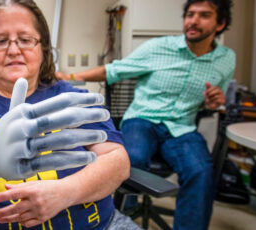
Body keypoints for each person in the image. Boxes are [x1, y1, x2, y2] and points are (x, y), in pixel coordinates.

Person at [0, 0, 141, 229]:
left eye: (25, 40)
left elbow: (117, 161)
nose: (14, 50)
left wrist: (65, 193)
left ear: (43, 48)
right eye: (1, 41)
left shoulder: (70, 98)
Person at [56, 0, 235, 229]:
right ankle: (119, 215)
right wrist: (70, 78)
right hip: (142, 120)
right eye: (190, 14)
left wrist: (214, 102)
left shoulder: (226, 59)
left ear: (220, 24)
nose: (193, 20)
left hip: (182, 127)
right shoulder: (159, 47)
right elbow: (114, 70)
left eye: (204, 15)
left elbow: (213, 101)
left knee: (201, 172)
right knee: (130, 159)